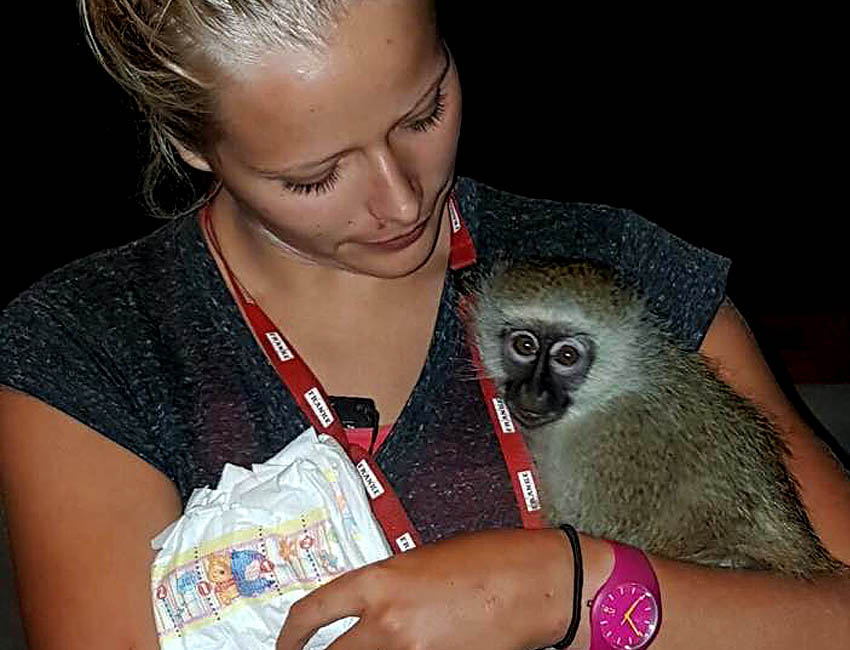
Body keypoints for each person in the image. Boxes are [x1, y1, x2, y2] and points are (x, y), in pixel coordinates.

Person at [1, 1, 848, 649]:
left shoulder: (609, 272)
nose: (402, 201)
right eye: (315, 176)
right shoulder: (95, 344)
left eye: (423, 112)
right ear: (192, 144)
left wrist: (561, 589)